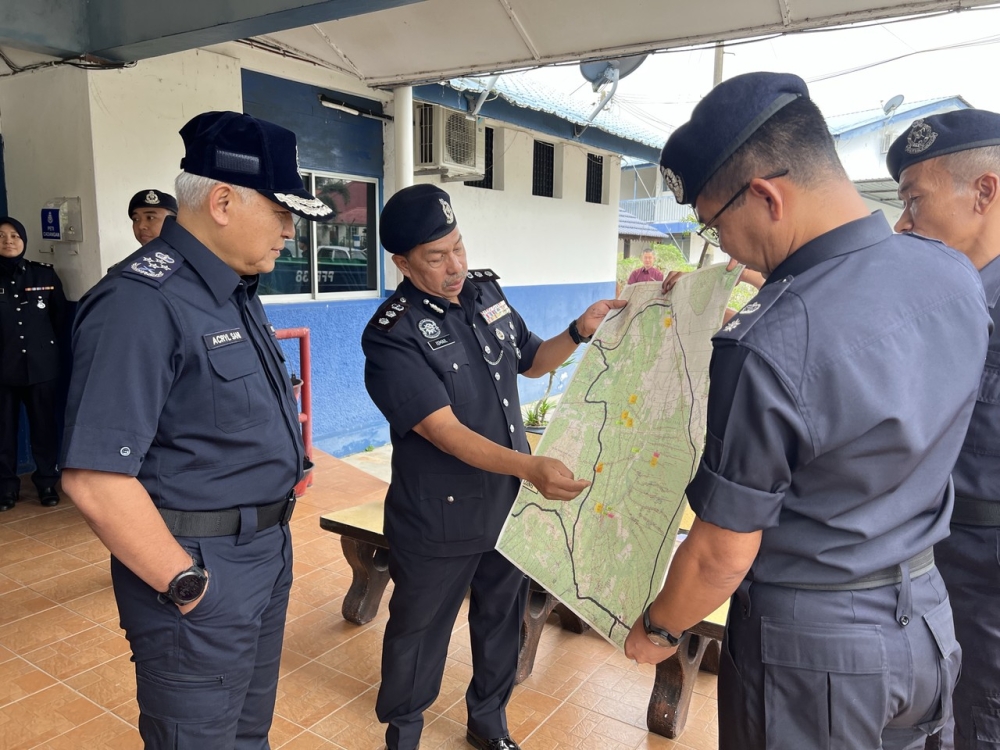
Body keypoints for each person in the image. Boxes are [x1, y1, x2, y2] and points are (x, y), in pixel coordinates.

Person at [622, 72, 990, 750]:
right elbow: (850, 311)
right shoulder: (951, 276)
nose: (723, 247)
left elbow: (720, 555)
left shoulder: (764, 346)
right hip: (926, 622)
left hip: (814, 657)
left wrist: (660, 629)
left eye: (716, 225)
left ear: (764, 196)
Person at [61, 111, 333, 748]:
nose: (291, 234)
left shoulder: (231, 290)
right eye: (283, 213)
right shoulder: (140, 303)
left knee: (245, 735)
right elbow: (95, 479)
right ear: (222, 201)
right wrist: (186, 586)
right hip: (197, 571)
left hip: (263, 556)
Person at [362, 183, 624, 750]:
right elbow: (445, 432)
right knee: (418, 631)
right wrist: (531, 467)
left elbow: (532, 362)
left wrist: (581, 329)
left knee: (502, 620)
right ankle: (403, 733)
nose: (455, 265)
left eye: (458, 247)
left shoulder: (486, 294)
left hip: (504, 509)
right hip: (438, 518)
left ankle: (488, 721)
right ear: (402, 264)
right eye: (436, 257)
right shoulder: (392, 336)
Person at [887, 110, 1000, 750]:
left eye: (913, 202)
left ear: (983, 192)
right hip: (940, 559)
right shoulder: (954, 297)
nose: (903, 223)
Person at [0, 216, 66, 510]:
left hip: (41, 367)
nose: (9, 241)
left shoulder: (44, 275)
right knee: (3, 431)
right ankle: (6, 488)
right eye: (1, 236)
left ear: (24, 240)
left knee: (44, 428)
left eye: (15, 235)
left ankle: (47, 484)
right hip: (2, 369)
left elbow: (60, 320)